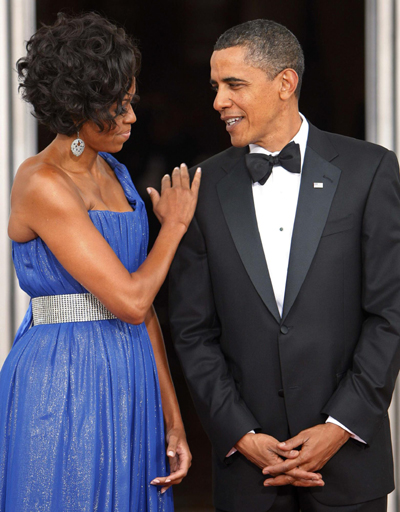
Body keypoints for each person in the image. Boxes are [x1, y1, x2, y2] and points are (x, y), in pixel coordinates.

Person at [169, 19, 400, 512]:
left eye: (234, 85)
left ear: (285, 83)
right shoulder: (201, 187)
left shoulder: (371, 169)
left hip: (349, 465)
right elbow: (192, 330)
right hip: (248, 475)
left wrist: (340, 427)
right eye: (215, 87)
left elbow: (390, 313)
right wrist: (241, 434)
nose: (218, 102)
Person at [0, 12, 200, 512]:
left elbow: (145, 304)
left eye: (131, 102)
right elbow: (131, 300)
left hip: (130, 370)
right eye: (119, 105)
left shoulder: (116, 172)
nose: (132, 117)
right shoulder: (40, 181)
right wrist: (172, 227)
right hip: (64, 379)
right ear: (76, 107)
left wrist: (172, 418)